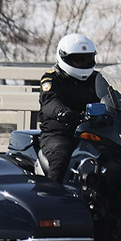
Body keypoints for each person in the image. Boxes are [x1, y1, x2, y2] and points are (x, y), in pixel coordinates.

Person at [38, 33, 101, 182]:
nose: (84, 64)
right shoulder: (52, 78)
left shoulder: (98, 79)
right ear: (64, 58)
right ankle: (52, 198)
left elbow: (113, 97)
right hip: (61, 133)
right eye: (78, 60)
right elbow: (50, 101)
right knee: (61, 155)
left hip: (93, 132)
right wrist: (63, 112)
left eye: (87, 59)